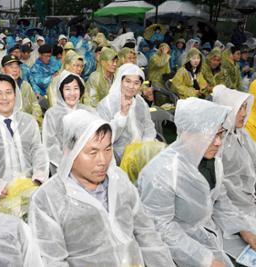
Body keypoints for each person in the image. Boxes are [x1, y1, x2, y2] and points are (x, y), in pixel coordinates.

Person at [29, 109, 175, 266]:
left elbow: (147, 234)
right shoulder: (48, 199)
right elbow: (52, 261)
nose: (103, 160)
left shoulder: (118, 179)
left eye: (107, 149)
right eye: (92, 152)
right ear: (71, 152)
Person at [138, 97, 256, 267]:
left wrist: (243, 229)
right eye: (212, 135)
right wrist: (204, 260)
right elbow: (161, 227)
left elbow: (220, 201)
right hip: (179, 249)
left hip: (209, 233)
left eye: (221, 133)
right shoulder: (162, 173)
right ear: (187, 134)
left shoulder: (212, 161)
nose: (218, 142)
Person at [213, 85, 256, 229]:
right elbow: (220, 189)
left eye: (245, 107)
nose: (244, 114)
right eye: (239, 109)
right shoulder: (217, 142)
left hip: (250, 196)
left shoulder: (241, 133)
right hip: (237, 205)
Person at [97, 63, 156, 164]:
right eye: (127, 81)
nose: (131, 86)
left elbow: (148, 128)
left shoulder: (140, 102)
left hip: (141, 153)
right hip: (117, 157)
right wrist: (122, 115)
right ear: (120, 81)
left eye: (136, 83)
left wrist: (145, 148)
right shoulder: (106, 104)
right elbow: (104, 138)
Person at [43, 70, 94, 174]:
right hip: (62, 167)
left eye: (76, 88)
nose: (72, 93)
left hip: (89, 165)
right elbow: (50, 145)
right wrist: (67, 164)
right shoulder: (52, 115)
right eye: (67, 89)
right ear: (61, 91)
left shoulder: (88, 111)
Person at [1, 54, 42, 125]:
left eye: (17, 66)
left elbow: (35, 103)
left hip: (28, 123)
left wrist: (34, 119)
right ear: (3, 69)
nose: (15, 70)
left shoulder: (25, 85)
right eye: (11, 67)